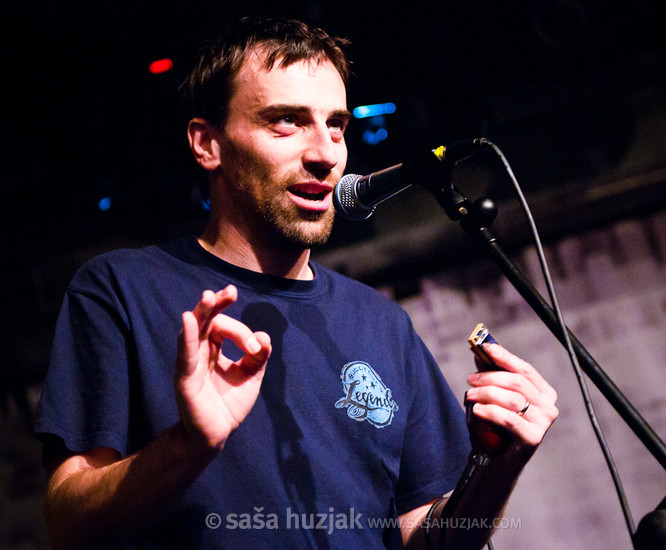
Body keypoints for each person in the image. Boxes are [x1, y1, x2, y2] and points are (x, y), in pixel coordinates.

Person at [34, 16, 558, 550]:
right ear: (207, 143)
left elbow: (430, 543)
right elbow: (69, 524)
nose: (325, 153)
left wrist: (496, 466)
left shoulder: (382, 324)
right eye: (286, 121)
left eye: (336, 125)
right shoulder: (121, 289)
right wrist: (189, 445)